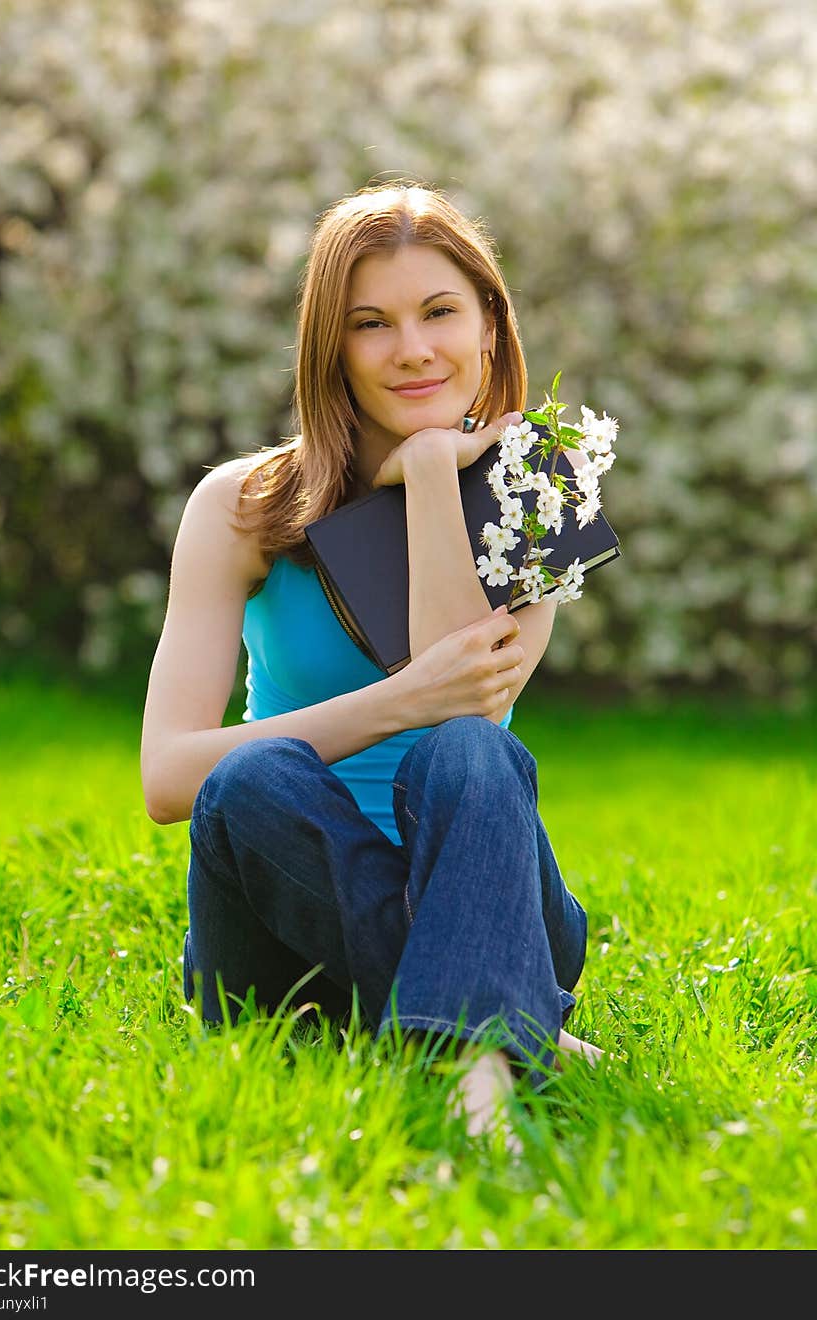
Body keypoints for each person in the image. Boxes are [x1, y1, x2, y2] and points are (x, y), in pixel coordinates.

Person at [140, 180, 603, 1143]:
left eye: (440, 312)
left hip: (486, 880)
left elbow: (462, 719)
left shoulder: (537, 488)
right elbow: (168, 776)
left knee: (467, 755)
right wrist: (394, 701)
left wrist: (434, 472)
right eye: (371, 324)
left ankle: (478, 1097)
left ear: (488, 325)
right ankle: (515, 1021)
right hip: (278, 914)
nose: (414, 349)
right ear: (331, 347)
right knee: (252, 775)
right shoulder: (242, 505)